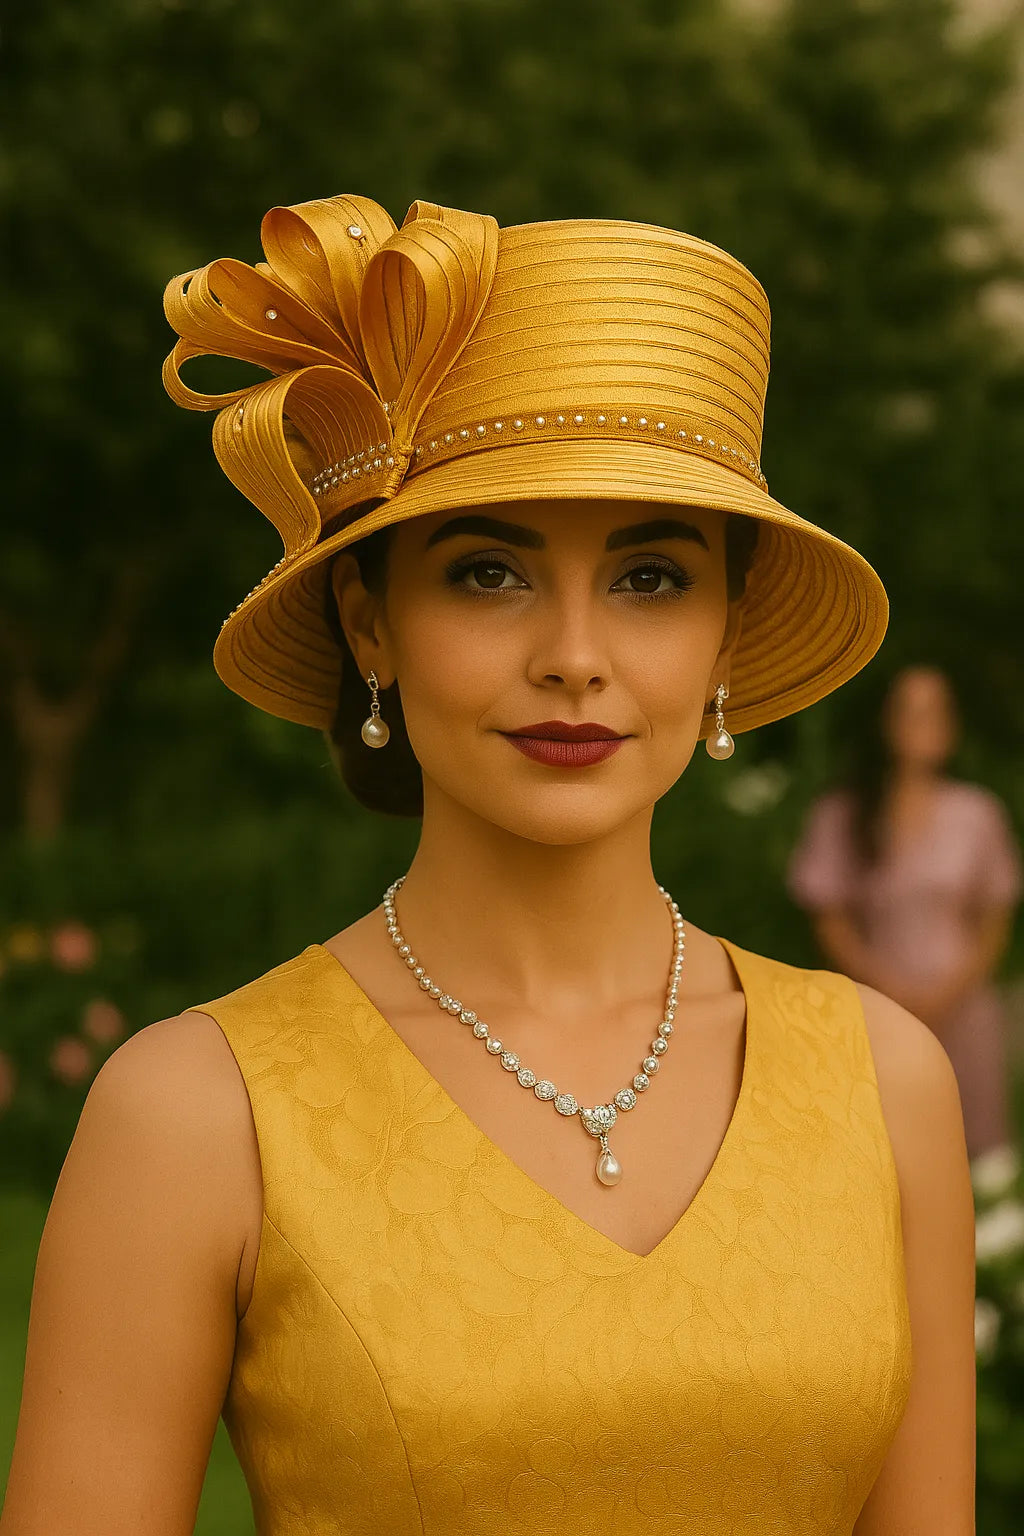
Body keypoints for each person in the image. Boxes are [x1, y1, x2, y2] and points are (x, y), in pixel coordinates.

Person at [0, 197, 975, 1536]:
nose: (575, 654)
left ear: (725, 639)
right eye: (488, 574)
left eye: (647, 578)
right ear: (371, 624)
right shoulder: (196, 1115)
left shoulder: (886, 1083)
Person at [788, 663, 1022, 1166]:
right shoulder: (843, 813)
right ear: (884, 720)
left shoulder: (977, 814)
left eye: (936, 710)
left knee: (978, 1146)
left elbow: (995, 918)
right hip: (876, 1006)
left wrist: (949, 990)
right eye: (910, 710)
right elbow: (829, 917)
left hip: (964, 1005)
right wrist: (890, 990)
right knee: (889, 1146)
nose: (923, 722)